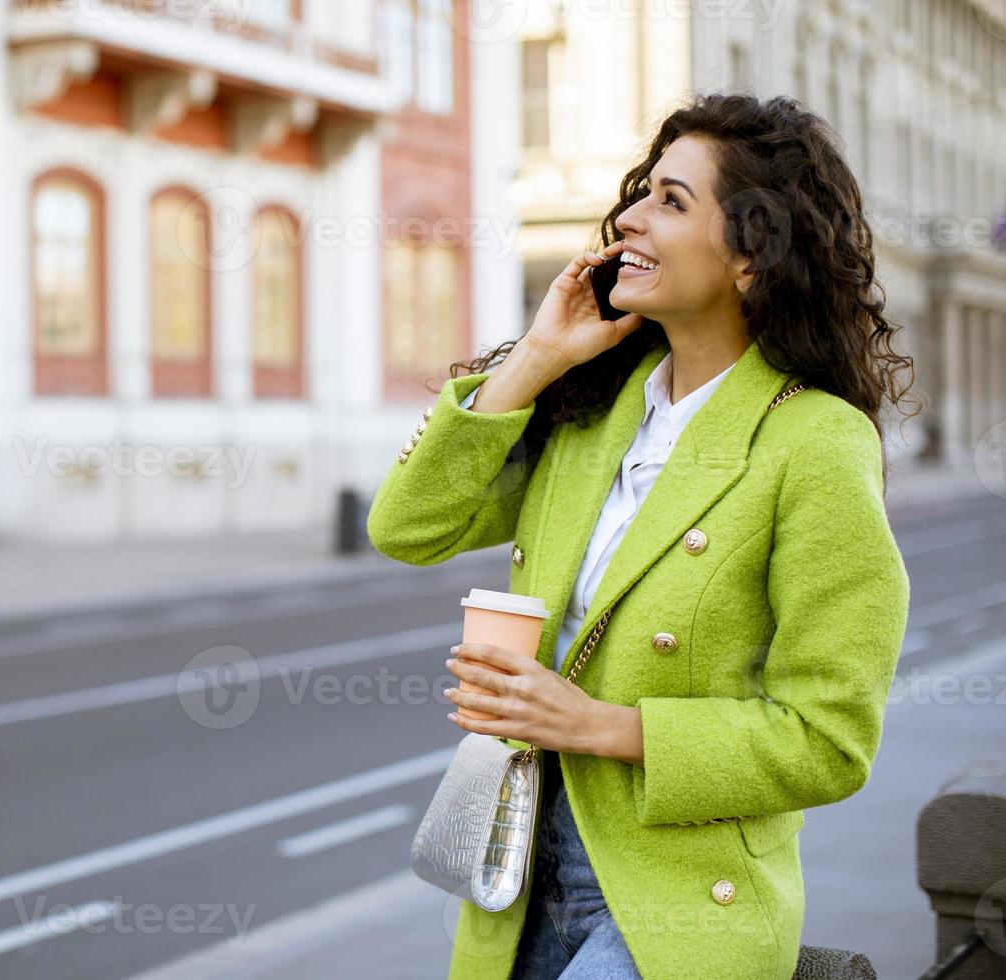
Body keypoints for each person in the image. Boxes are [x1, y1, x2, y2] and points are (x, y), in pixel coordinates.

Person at [366, 92, 917, 979]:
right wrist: (536, 358)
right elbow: (406, 527)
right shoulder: (589, 412)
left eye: (671, 201)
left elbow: (828, 739)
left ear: (750, 257)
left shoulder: (812, 441)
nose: (629, 217)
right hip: (514, 875)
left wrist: (597, 725)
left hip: (676, 903)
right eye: (640, 194)